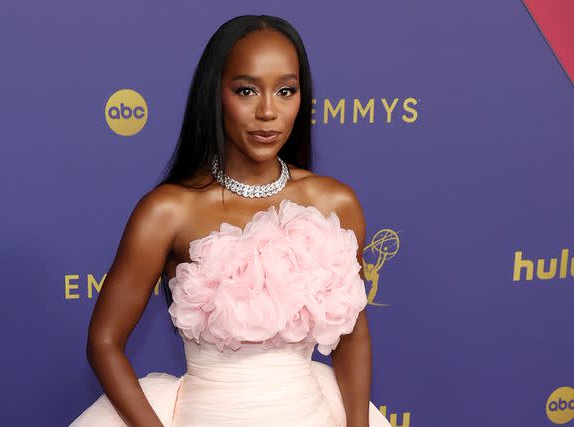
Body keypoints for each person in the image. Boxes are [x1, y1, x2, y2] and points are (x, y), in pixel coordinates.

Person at [69, 15, 391, 427]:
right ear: (215, 95)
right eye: (246, 90)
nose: (268, 111)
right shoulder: (167, 211)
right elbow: (104, 341)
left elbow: (352, 334)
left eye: (286, 91)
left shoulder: (336, 203)